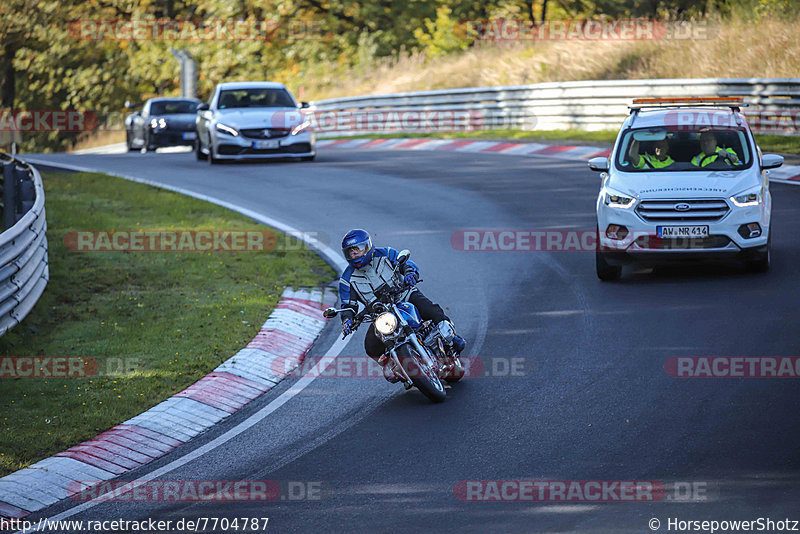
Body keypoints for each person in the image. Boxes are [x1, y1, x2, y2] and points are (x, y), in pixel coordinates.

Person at [337, 229, 466, 382]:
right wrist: (347, 320)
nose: (354, 255)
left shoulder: (385, 253)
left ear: (368, 246)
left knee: (432, 311)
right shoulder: (346, 279)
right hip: (380, 315)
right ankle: (395, 367)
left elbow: (406, 263)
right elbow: (347, 305)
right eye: (350, 252)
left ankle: (453, 339)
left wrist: (410, 273)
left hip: (404, 296)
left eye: (357, 249)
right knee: (370, 347)